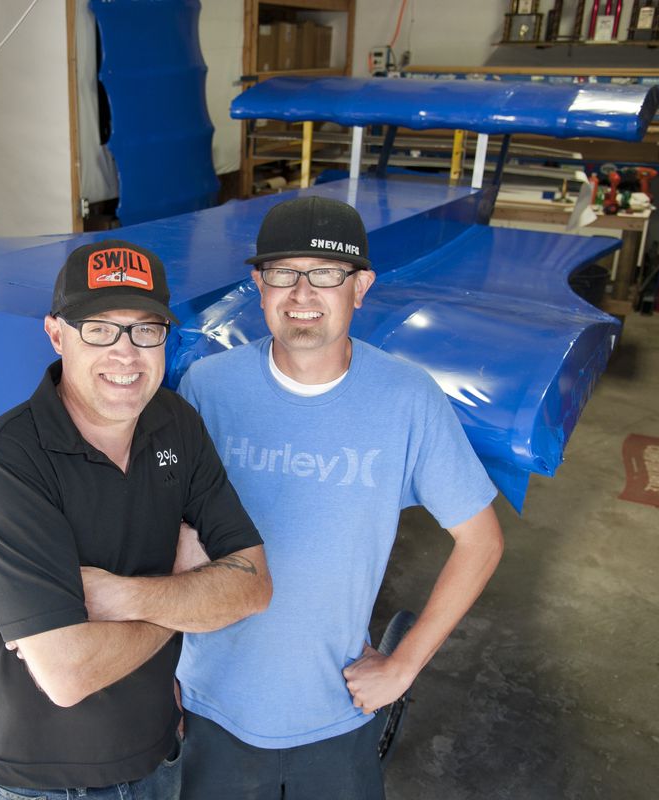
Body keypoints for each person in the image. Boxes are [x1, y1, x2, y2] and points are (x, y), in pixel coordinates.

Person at [174, 196, 505, 799]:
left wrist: (403, 666)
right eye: (283, 273)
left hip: (334, 708)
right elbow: (175, 540)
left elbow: (480, 541)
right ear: (258, 284)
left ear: (361, 286)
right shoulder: (206, 388)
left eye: (325, 274)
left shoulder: (407, 399)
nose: (302, 293)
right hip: (209, 704)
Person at [0, 239, 272, 799]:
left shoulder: (175, 423)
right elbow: (67, 675)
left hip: (156, 756)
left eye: (145, 330)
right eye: (100, 328)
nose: (126, 354)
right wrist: (183, 596)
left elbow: (252, 587)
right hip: (38, 781)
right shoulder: (9, 461)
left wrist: (120, 596)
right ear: (57, 334)